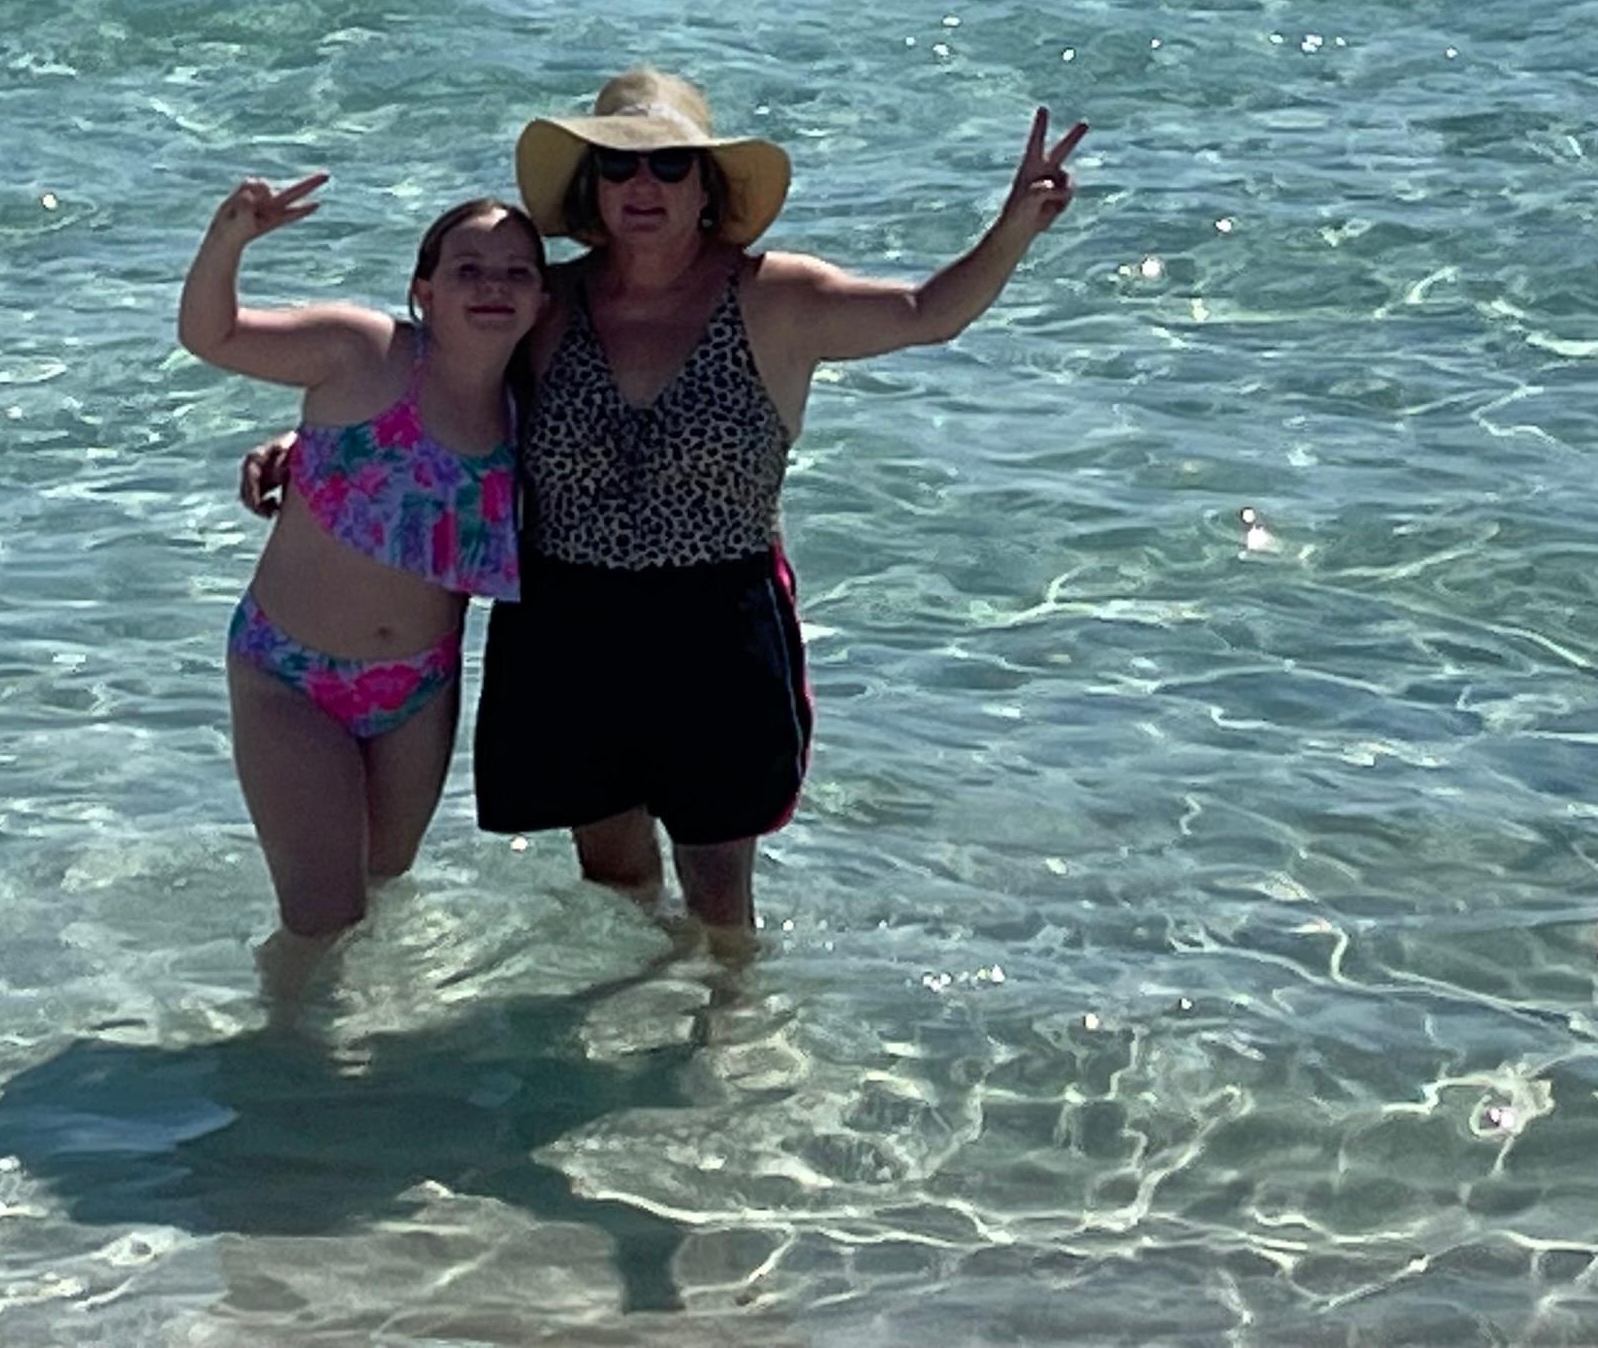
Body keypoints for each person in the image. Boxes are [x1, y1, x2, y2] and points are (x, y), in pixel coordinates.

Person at [256, 70, 1086, 937]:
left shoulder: (774, 296)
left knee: (719, 887)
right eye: (618, 167)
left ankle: (730, 1016)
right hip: (567, 617)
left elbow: (924, 312)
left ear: (707, 186)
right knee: (612, 876)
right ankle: (632, 1014)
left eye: (669, 165)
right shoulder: (550, 302)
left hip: (717, 622)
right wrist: (311, 447)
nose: (642, 185)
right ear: (593, 188)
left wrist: (1014, 226)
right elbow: (436, 378)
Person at [178, 177, 547, 950]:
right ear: (425, 291)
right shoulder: (363, 352)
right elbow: (213, 336)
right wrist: (229, 239)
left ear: (542, 301)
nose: (493, 286)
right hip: (289, 675)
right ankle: (286, 1029)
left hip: (419, 692)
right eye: (468, 270)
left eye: (517, 273)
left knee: (382, 892)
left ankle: (369, 1023)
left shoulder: (534, 407)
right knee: (323, 919)